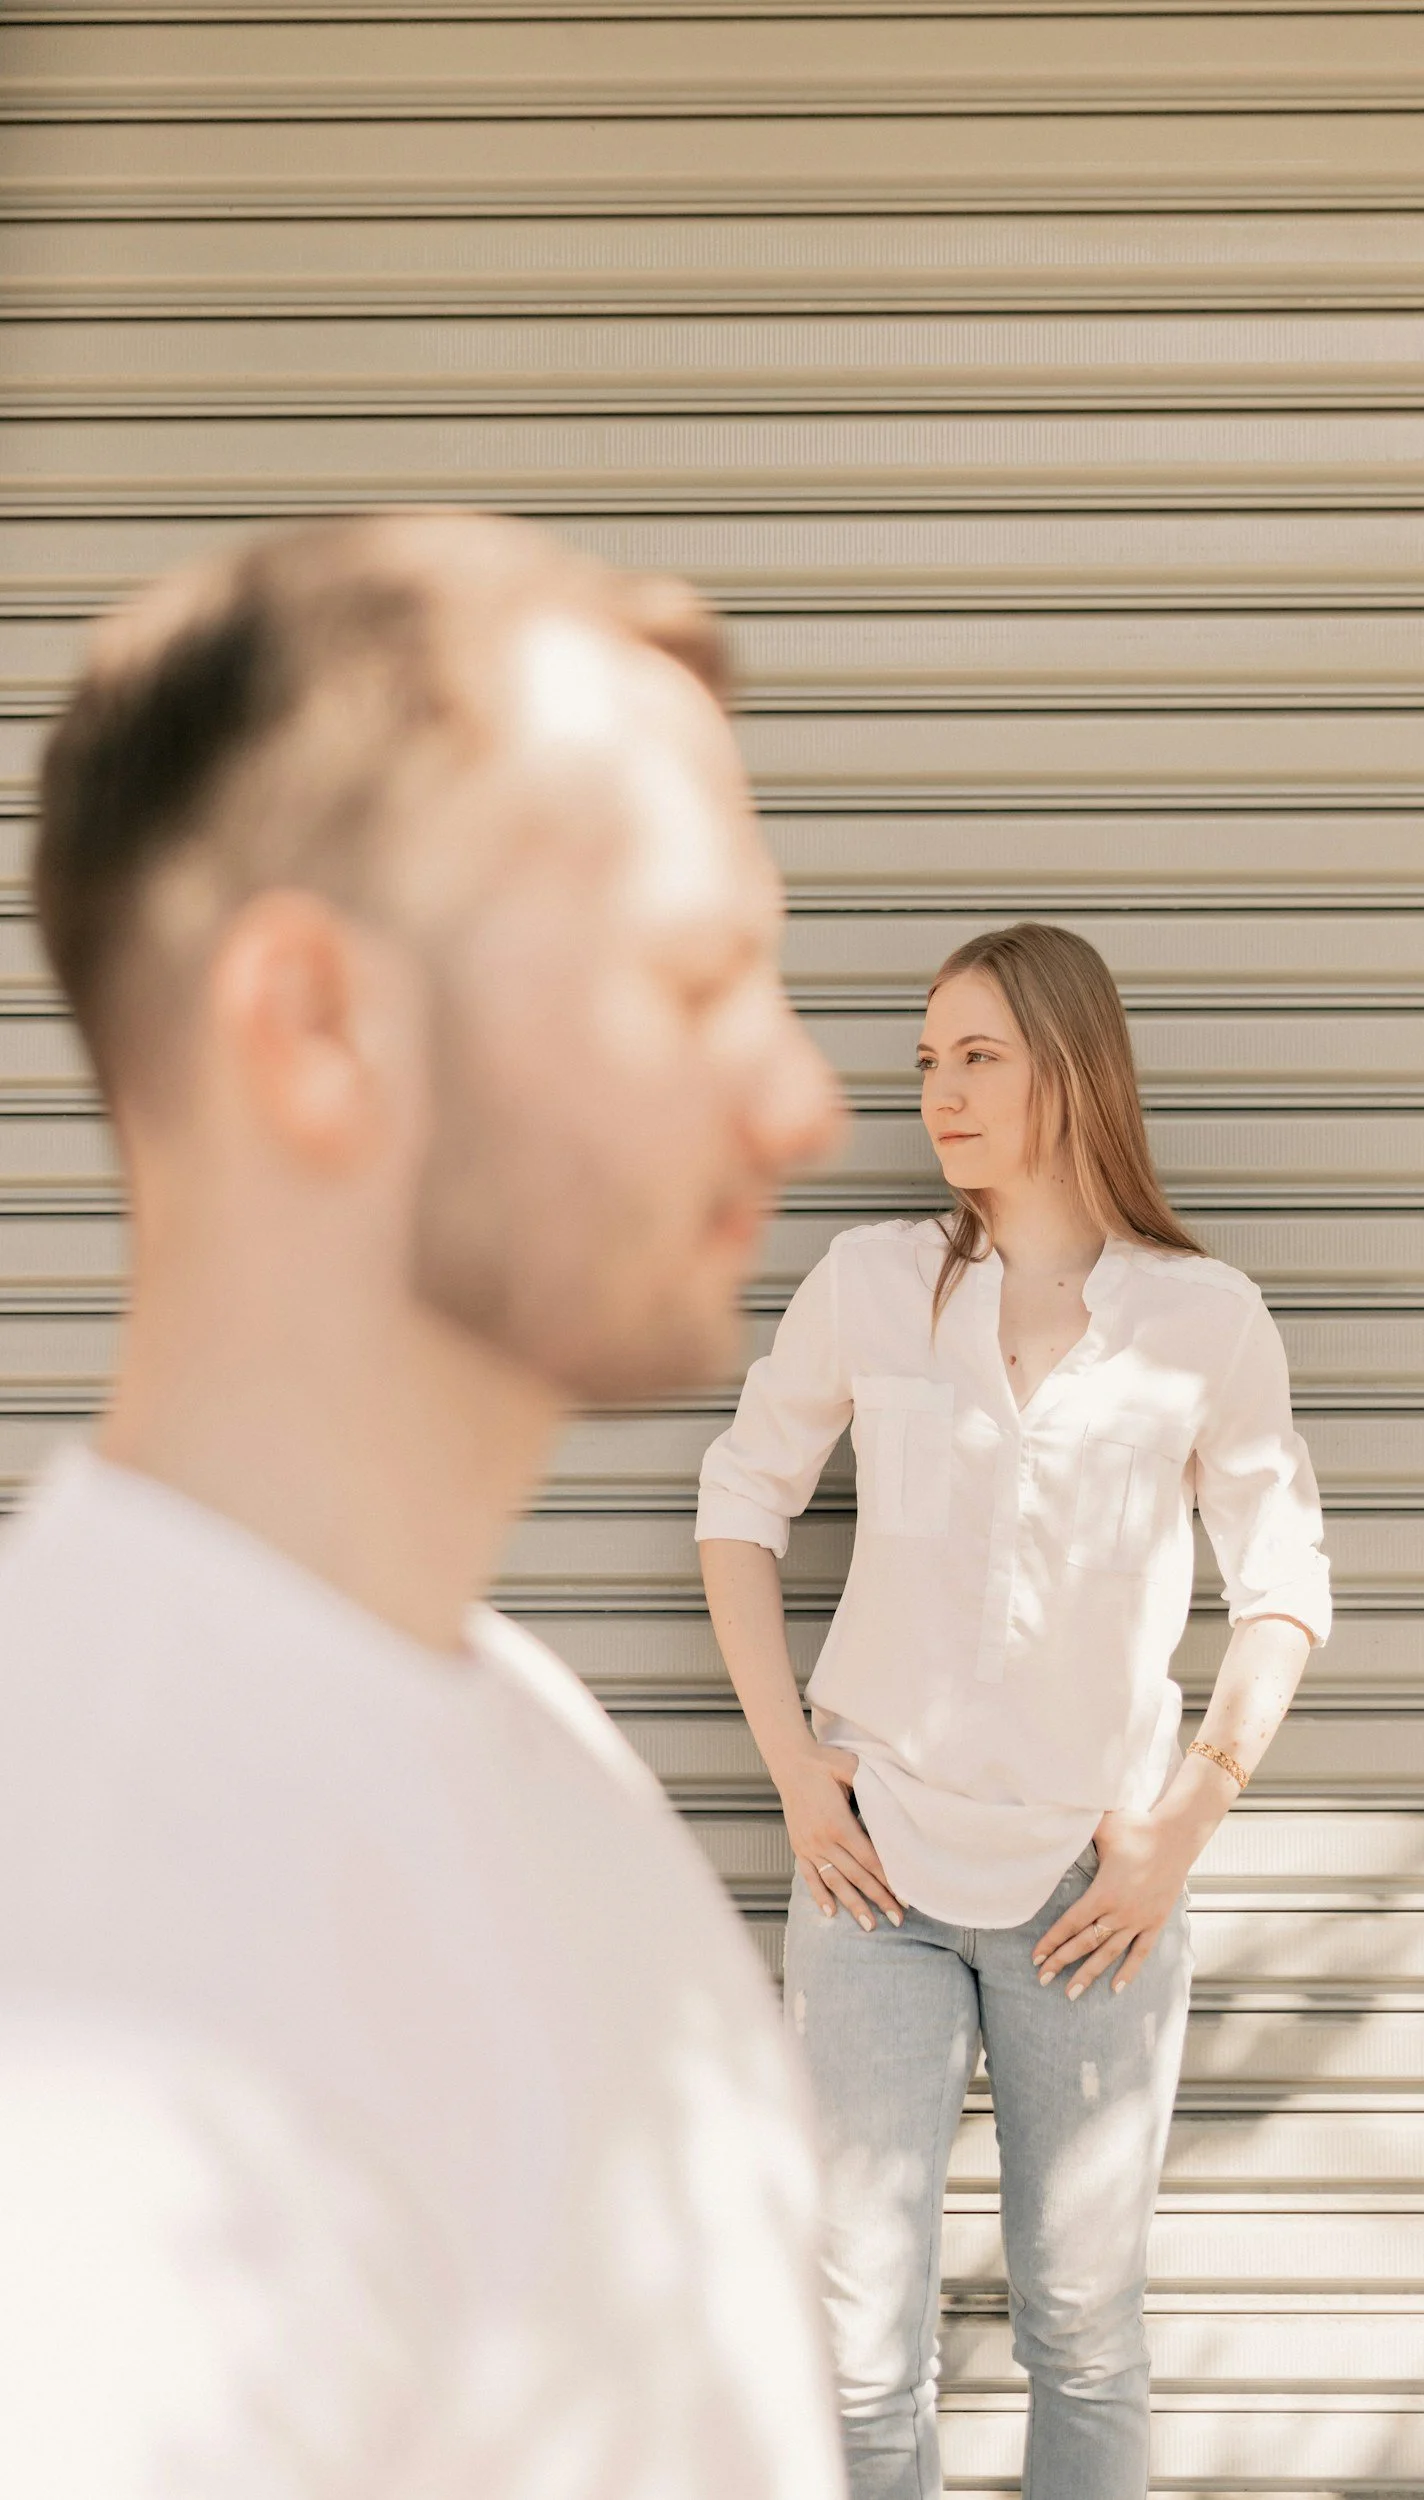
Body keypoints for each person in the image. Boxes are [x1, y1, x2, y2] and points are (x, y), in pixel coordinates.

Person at [0, 512, 851, 2498]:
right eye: (695, 978)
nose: (800, 1100)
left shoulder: (529, 1749)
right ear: (314, 1027)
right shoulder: (102, 1942)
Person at [697, 919, 1332, 2500]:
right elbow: (738, 1501)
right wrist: (794, 1775)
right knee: (859, 2354)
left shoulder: (1202, 1319)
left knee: (1085, 2333)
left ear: (1071, 1068)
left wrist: (1181, 1826)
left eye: (978, 1055)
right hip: (875, 1879)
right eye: (927, 1059)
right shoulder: (871, 1284)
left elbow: (1282, 1587)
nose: (941, 1090)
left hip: (1089, 1899)